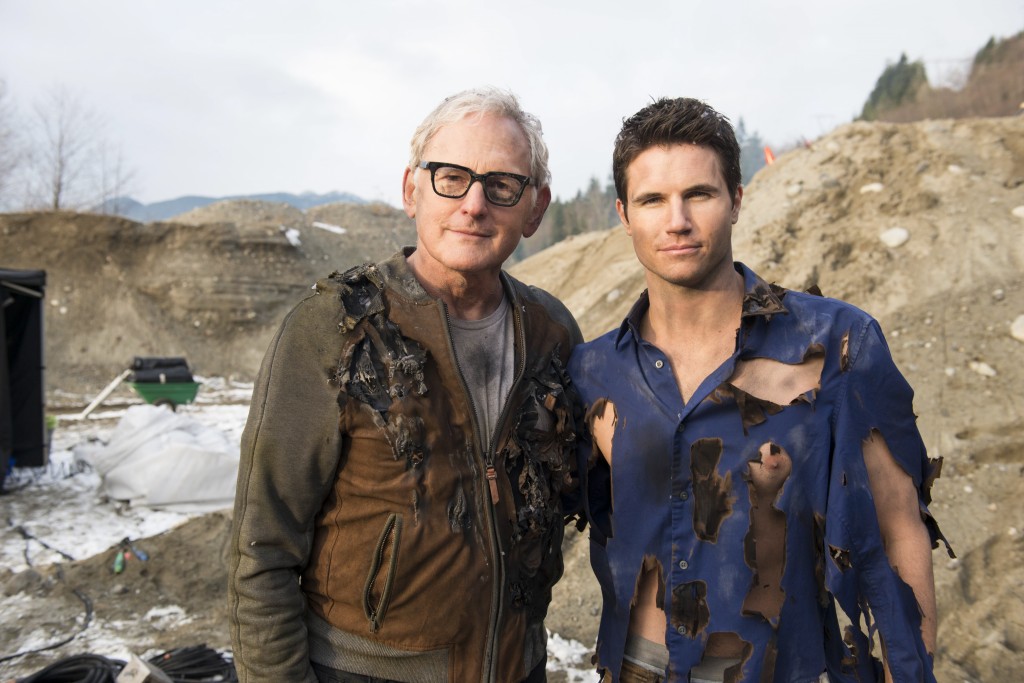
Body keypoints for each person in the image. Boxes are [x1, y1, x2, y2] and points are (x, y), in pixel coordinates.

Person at [567, 97, 953, 682]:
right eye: (652, 200)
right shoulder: (594, 371)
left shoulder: (835, 343)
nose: (677, 221)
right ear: (624, 214)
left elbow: (900, 525)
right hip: (638, 667)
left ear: (737, 200)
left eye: (699, 194)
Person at [228, 86, 582, 683]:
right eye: (451, 176)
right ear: (410, 189)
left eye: (501, 185)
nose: (474, 204)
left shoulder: (552, 333)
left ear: (535, 208)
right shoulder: (335, 327)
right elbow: (262, 546)